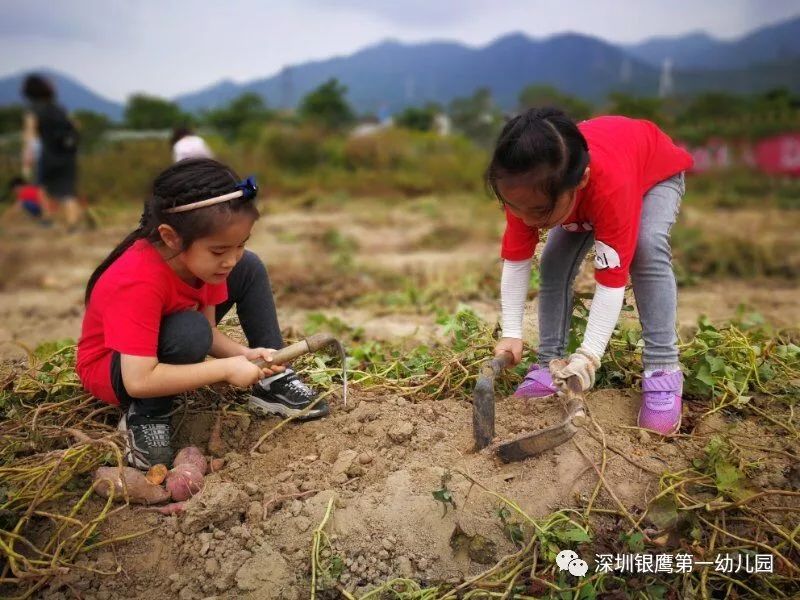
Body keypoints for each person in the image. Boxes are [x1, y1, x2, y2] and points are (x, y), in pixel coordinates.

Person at [76, 158, 328, 469]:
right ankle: (147, 413)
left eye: (239, 244)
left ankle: (273, 376)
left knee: (249, 268)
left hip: (169, 338)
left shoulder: (202, 265)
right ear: (171, 237)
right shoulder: (137, 280)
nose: (231, 259)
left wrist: (248, 356)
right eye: (219, 251)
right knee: (188, 330)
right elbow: (138, 379)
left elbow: (208, 333)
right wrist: (224, 370)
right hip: (118, 369)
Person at [487, 108, 693, 435]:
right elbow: (516, 261)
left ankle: (662, 369)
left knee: (645, 247)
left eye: (537, 211)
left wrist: (589, 357)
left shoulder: (608, 188)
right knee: (554, 259)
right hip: (575, 191)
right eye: (514, 208)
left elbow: (610, 281)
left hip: (651, 173)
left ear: (580, 180)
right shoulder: (527, 188)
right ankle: (549, 364)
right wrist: (511, 331)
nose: (525, 220)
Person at [20, 74, 83, 229]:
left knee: (42, 187)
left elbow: (30, 137)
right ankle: (73, 224)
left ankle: (47, 219)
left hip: (47, 156)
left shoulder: (33, 110)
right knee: (68, 191)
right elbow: (76, 126)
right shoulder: (59, 109)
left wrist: (27, 160)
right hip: (67, 156)